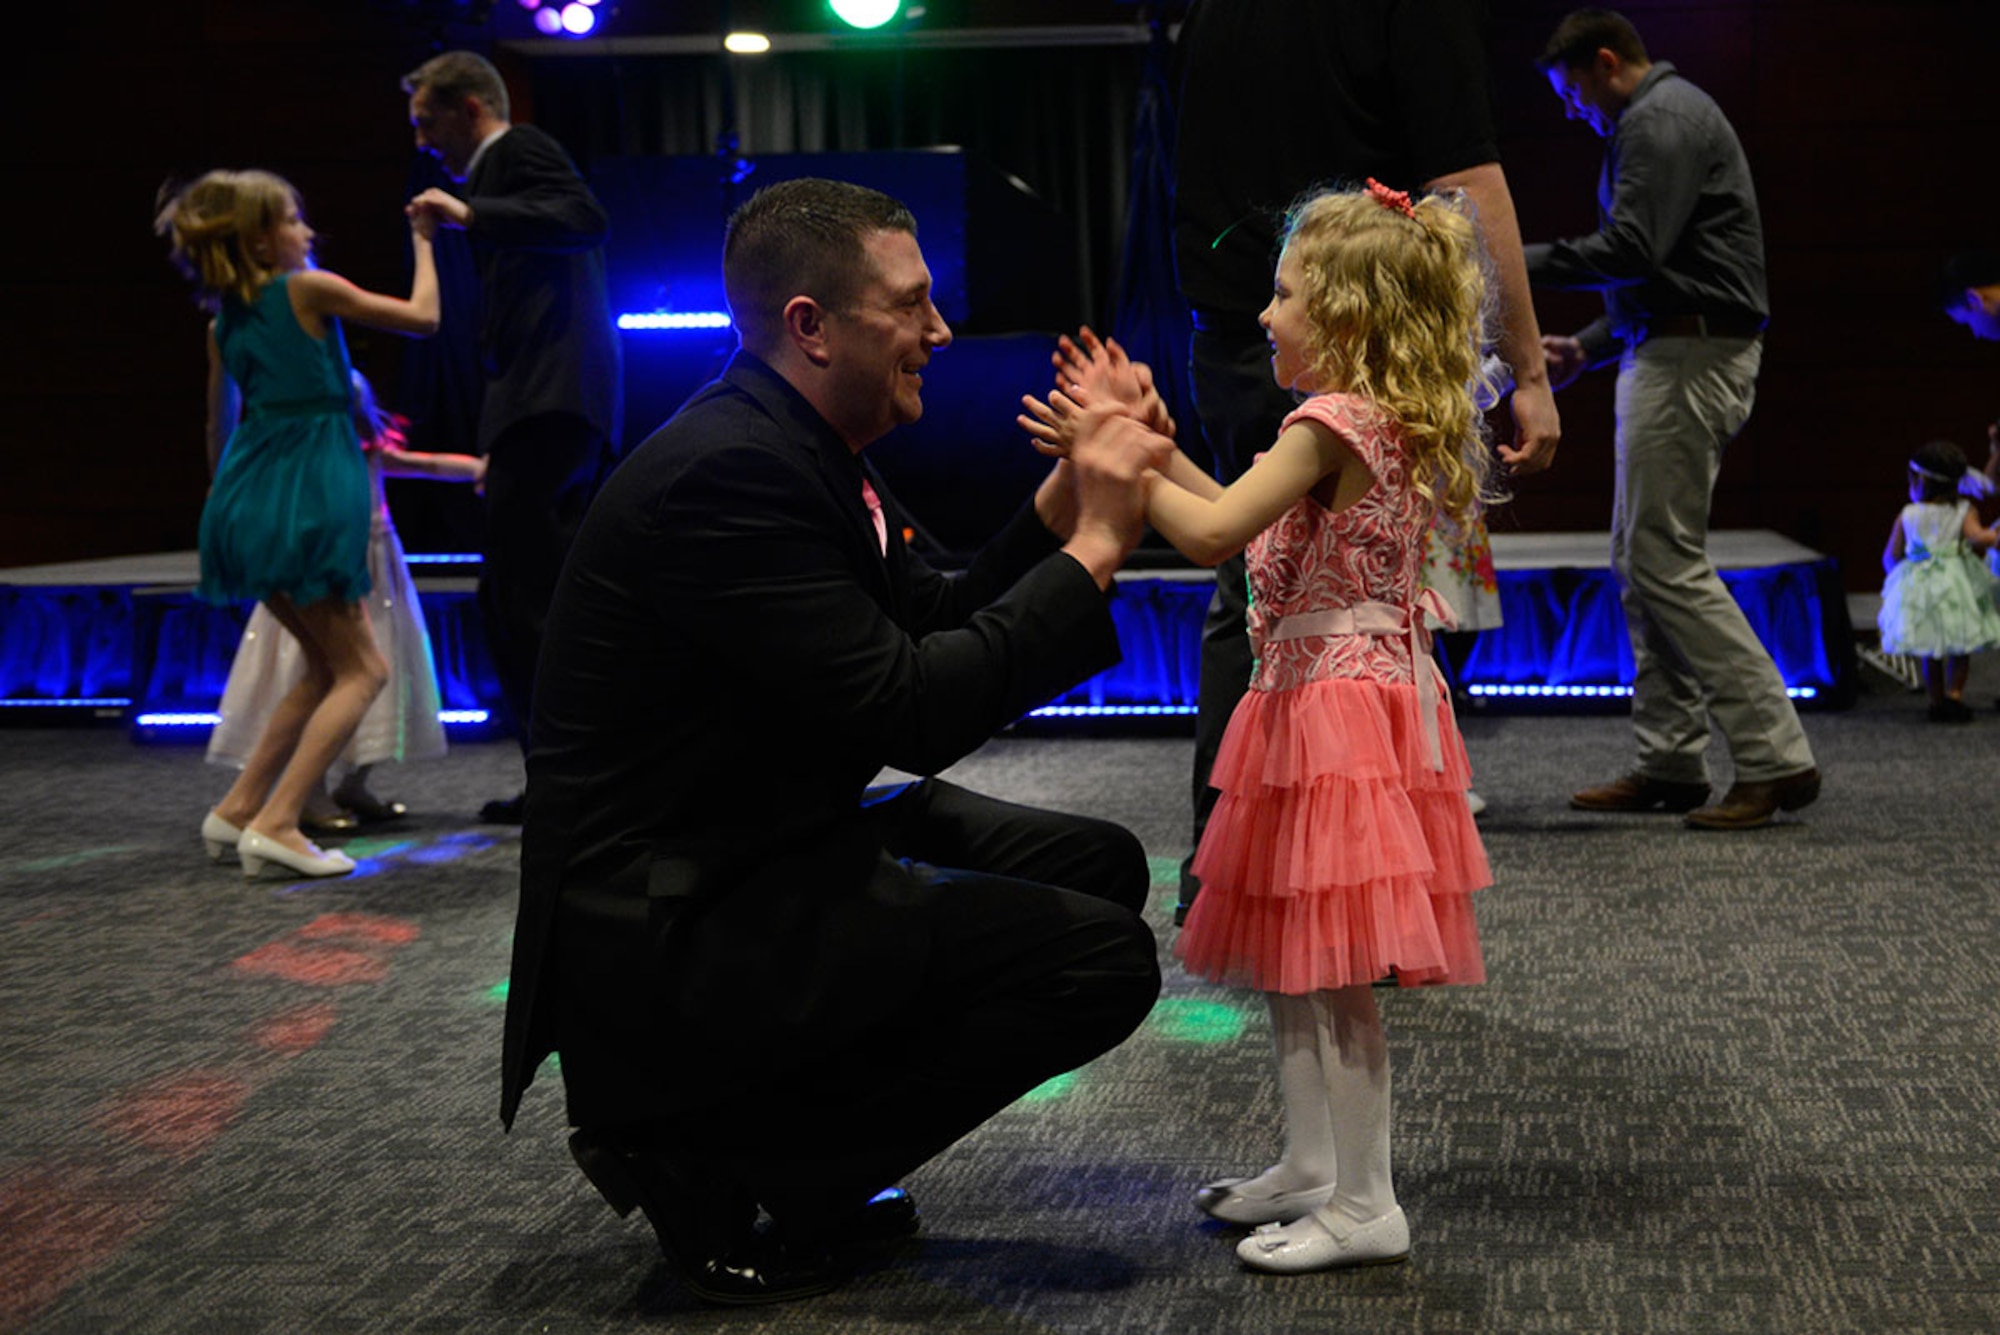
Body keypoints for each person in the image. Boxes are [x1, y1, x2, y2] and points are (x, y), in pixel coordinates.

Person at [497, 178, 1165, 1306]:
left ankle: (774, 1136)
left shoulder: (791, 439)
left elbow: (931, 617)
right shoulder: (729, 472)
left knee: (1097, 865)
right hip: (670, 918)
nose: (939, 331)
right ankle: (721, 1159)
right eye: (910, 305)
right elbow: (915, 711)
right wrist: (1098, 541)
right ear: (810, 325)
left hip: (757, 837)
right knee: (1099, 959)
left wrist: (1066, 499)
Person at [1025, 180, 1496, 1275]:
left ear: (1345, 316)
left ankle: (1366, 1201)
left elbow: (1206, 535)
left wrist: (1115, 457)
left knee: (1336, 970)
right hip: (1320, 699)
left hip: (1332, 706)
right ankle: (1312, 1165)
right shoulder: (1350, 423)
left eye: (1283, 295)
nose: (1263, 314)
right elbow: (1238, 512)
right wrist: (1148, 444)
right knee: (1299, 951)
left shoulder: (1328, 424)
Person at [1168, 0, 1559, 922]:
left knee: (1250, 596)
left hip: (1242, 343)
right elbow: (1467, 181)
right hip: (1330, 339)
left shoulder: (1215, 12)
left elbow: (1217, 527)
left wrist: (1138, 460)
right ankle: (1331, 892)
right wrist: (1528, 370)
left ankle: (1244, 876)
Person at [1523, 7, 1820, 831]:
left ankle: (1775, 756)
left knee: (1662, 557)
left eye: (1573, 92)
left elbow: (1631, 250)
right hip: (1674, 347)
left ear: (1607, 61)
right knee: (1642, 557)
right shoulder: (1661, 118)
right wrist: (1588, 346)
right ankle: (1672, 761)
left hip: (1691, 357)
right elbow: (1669, 270)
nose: (1573, 110)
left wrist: (1506, 260)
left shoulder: (1660, 120)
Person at [159, 169, 439, 878]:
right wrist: (425, 241)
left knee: (322, 666)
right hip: (311, 489)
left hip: (243, 498)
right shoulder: (308, 289)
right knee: (364, 669)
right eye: (292, 219)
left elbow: (217, 430)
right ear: (260, 242)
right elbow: (423, 317)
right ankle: (280, 822)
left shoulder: (224, 324)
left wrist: (234, 509)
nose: (307, 231)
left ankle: (238, 808)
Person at [401, 50, 622, 825]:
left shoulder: (517, 149)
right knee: (529, 600)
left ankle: (570, 782)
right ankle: (574, 777)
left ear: (470, 108)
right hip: (543, 408)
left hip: (550, 405)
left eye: (427, 121)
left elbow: (585, 219)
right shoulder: (500, 170)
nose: (423, 142)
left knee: (523, 603)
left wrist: (471, 214)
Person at [207, 371, 485, 825]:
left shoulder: (369, 452)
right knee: (326, 672)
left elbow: (427, 464)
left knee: (385, 672)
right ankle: (309, 791)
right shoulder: (308, 457)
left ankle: (354, 782)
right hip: (327, 572)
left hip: (377, 576)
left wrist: (475, 468)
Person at [1877, 440, 2000, 723]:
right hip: (1957, 584)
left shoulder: (1909, 514)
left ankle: (1937, 700)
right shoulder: (1963, 510)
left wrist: (1901, 580)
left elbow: (1891, 556)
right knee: (1960, 645)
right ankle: (1954, 695)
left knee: (1930, 648)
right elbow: (1977, 537)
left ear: (1920, 481)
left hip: (1921, 587)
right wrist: (1995, 536)